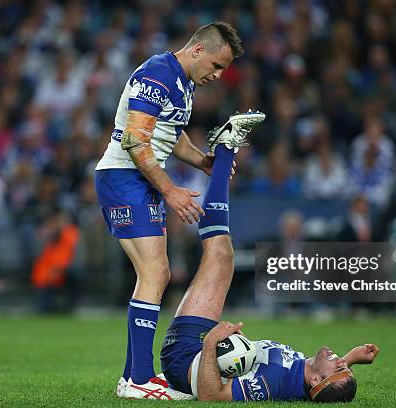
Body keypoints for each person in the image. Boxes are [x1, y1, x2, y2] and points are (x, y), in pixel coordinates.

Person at [94, 21, 264, 399]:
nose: (218, 76)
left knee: (158, 272)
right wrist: (170, 190)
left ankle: (132, 377)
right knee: (154, 272)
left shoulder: (182, 83)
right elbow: (137, 141)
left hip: (137, 179)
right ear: (198, 49)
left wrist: (201, 161)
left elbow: (170, 135)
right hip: (124, 176)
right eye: (217, 66)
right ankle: (139, 378)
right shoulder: (158, 73)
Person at [158, 144, 379, 402]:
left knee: (220, 254)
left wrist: (209, 344)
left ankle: (225, 151)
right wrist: (351, 358)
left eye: (339, 367)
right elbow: (328, 380)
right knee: (222, 255)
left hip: (186, 357)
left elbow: (211, 395)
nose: (340, 361)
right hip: (199, 351)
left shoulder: (274, 382)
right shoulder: (307, 374)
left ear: (316, 380)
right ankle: (224, 155)